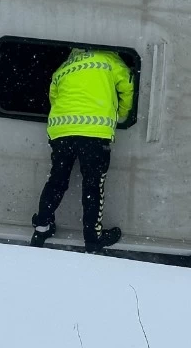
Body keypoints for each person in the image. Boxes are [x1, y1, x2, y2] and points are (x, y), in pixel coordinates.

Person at [30, 47, 135, 253]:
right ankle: (93, 239)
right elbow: (127, 85)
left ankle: (42, 227)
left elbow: (54, 98)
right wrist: (122, 114)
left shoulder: (63, 67)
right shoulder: (109, 59)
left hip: (61, 131)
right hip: (94, 132)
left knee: (57, 181)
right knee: (93, 185)